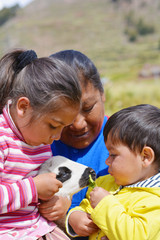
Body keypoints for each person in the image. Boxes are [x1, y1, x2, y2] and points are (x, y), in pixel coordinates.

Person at [0, 48, 82, 240]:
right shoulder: (3, 140)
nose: (58, 136)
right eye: (53, 125)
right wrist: (34, 188)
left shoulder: (39, 141)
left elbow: (43, 187)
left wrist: (60, 200)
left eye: (64, 127)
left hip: (35, 227)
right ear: (23, 107)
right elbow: (33, 187)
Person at [38, 50, 109, 233]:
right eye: (64, 114)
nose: (77, 124)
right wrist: (61, 216)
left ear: (102, 94)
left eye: (88, 108)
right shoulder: (36, 146)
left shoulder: (130, 142)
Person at [66, 104, 160, 240]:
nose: (107, 161)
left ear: (145, 156)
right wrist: (75, 216)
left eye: (113, 155)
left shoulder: (154, 200)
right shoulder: (105, 183)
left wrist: (104, 204)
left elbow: (136, 235)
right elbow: (86, 205)